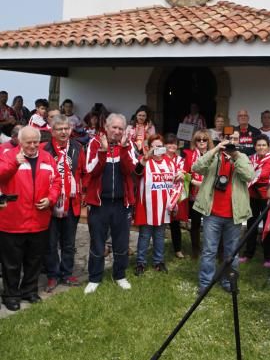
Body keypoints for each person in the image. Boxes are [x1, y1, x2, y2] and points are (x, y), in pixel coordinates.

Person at [0, 126, 61, 310]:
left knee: (34, 260)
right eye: (29, 142)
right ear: (19, 141)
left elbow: (57, 181)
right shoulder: (8, 155)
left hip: (39, 221)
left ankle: (30, 290)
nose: (33, 146)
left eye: (36, 141)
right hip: (13, 221)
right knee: (11, 263)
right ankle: (11, 295)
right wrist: (14, 164)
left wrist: (50, 199)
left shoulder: (46, 157)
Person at [193, 131, 255, 293]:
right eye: (228, 139)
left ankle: (228, 282)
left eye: (234, 140)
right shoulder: (213, 156)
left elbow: (249, 175)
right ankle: (206, 283)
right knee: (209, 250)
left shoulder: (241, 157)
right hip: (212, 213)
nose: (231, 142)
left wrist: (235, 156)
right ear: (222, 140)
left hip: (233, 215)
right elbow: (196, 167)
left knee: (232, 252)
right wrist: (214, 150)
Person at [84, 113, 138, 293]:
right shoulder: (94, 143)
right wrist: (103, 151)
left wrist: (122, 150)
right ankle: (94, 278)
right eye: (113, 127)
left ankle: (120, 275)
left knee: (121, 242)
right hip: (100, 203)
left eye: (120, 128)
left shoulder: (128, 145)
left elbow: (130, 169)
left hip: (122, 204)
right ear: (106, 128)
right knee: (97, 242)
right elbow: (91, 170)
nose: (116, 131)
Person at [43, 115, 87, 291]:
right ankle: (52, 275)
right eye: (59, 129)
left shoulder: (77, 147)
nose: (63, 132)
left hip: (72, 202)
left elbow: (83, 172)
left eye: (66, 128)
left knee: (69, 243)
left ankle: (67, 273)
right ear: (52, 131)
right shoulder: (45, 149)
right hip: (51, 204)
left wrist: (84, 193)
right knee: (51, 244)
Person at [133, 134, 183, 275]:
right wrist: (146, 156)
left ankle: (158, 262)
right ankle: (140, 263)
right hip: (147, 207)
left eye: (160, 146)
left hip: (164, 207)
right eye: (155, 146)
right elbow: (136, 172)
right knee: (144, 235)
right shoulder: (144, 161)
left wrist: (180, 176)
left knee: (160, 235)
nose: (158, 149)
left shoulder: (170, 162)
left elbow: (176, 184)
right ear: (149, 147)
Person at [239, 134, 270, 265]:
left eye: (264, 145)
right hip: (252, 195)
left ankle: (269, 256)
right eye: (258, 145)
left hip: (267, 197)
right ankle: (248, 253)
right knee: (251, 224)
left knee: (267, 226)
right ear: (255, 147)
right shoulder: (251, 159)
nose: (261, 147)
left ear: (268, 147)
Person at [184, 129, 214, 258]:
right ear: (194, 142)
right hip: (195, 194)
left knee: (211, 224)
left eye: (204, 139)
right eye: (198, 139)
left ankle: (210, 249)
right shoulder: (189, 155)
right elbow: (185, 173)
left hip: (210, 195)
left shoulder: (214, 154)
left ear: (208, 141)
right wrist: (195, 181)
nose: (201, 142)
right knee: (195, 223)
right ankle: (195, 250)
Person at [164, 132, 186, 259]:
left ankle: (177, 249)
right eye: (169, 143)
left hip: (175, 195)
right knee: (159, 223)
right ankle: (158, 248)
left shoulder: (180, 160)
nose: (172, 146)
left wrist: (181, 175)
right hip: (161, 193)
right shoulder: (159, 158)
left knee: (175, 223)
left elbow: (181, 175)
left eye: (174, 144)